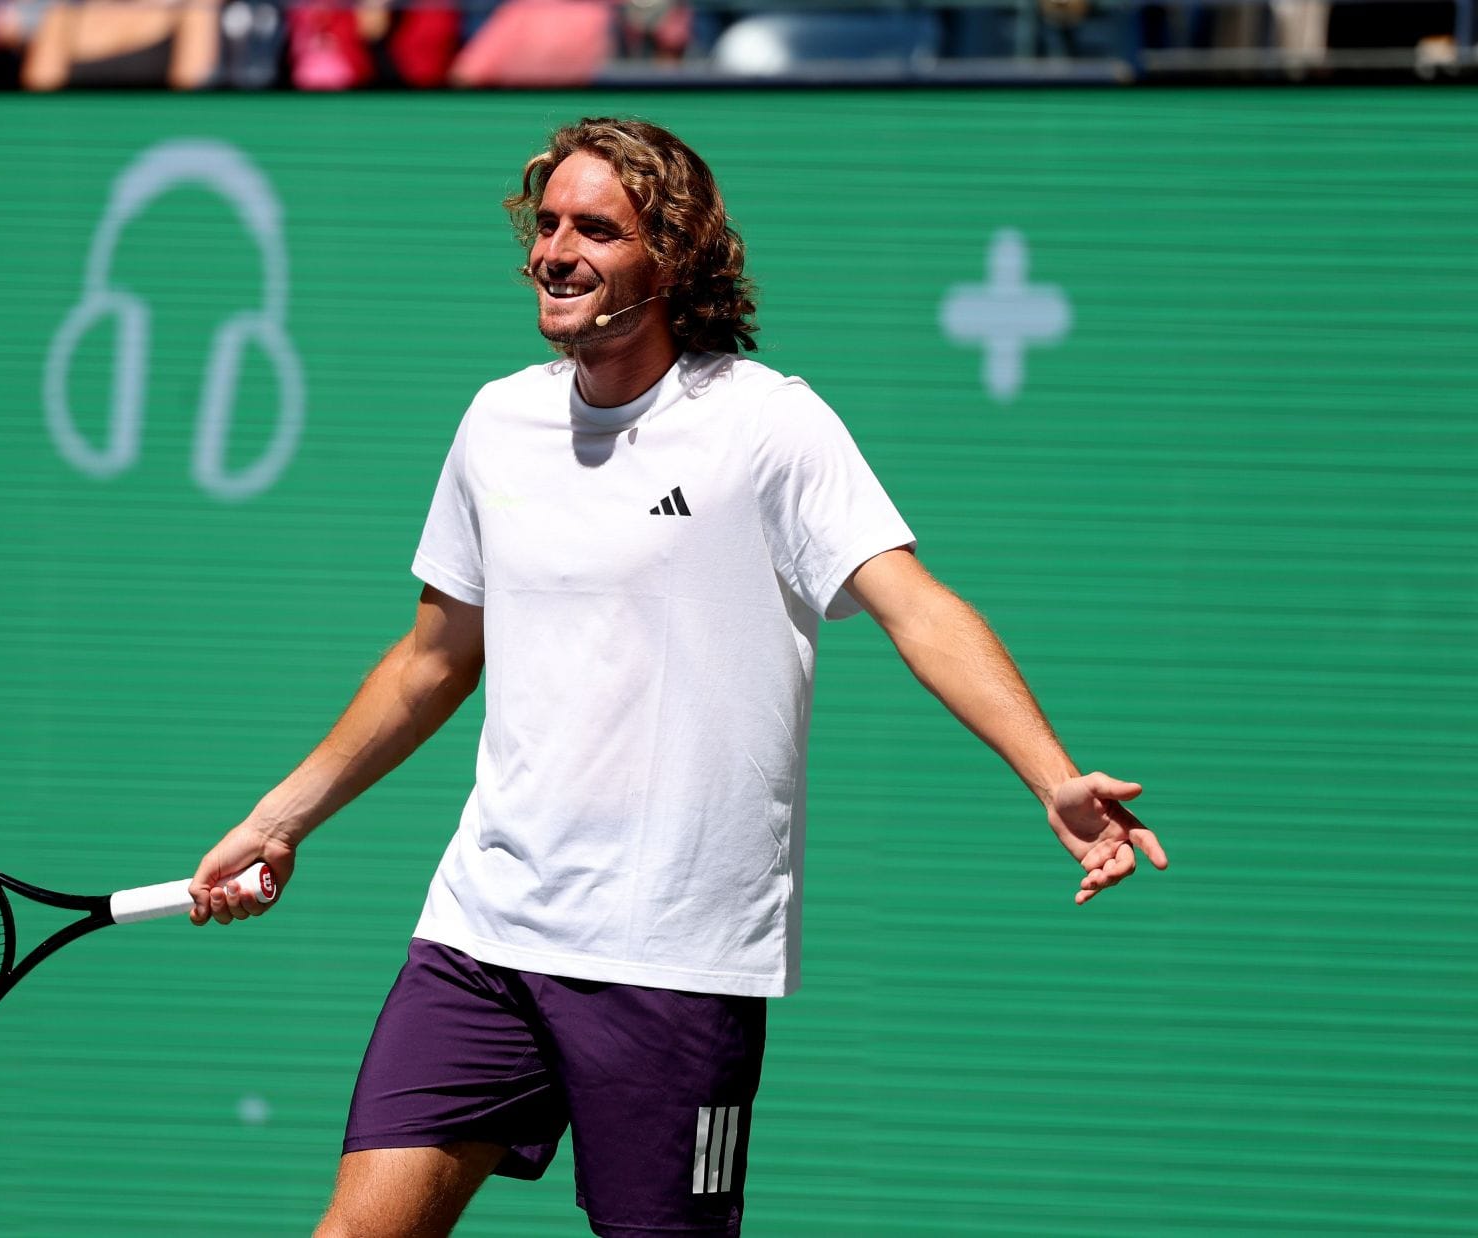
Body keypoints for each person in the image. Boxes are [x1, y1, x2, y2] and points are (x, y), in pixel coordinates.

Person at [186, 117, 1168, 1238]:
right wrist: (281, 817)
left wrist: (1049, 773)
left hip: (674, 963)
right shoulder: (496, 423)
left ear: (675, 258)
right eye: (545, 223)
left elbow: (917, 606)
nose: (556, 249)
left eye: (595, 228)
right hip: (483, 936)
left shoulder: (766, 425)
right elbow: (433, 658)